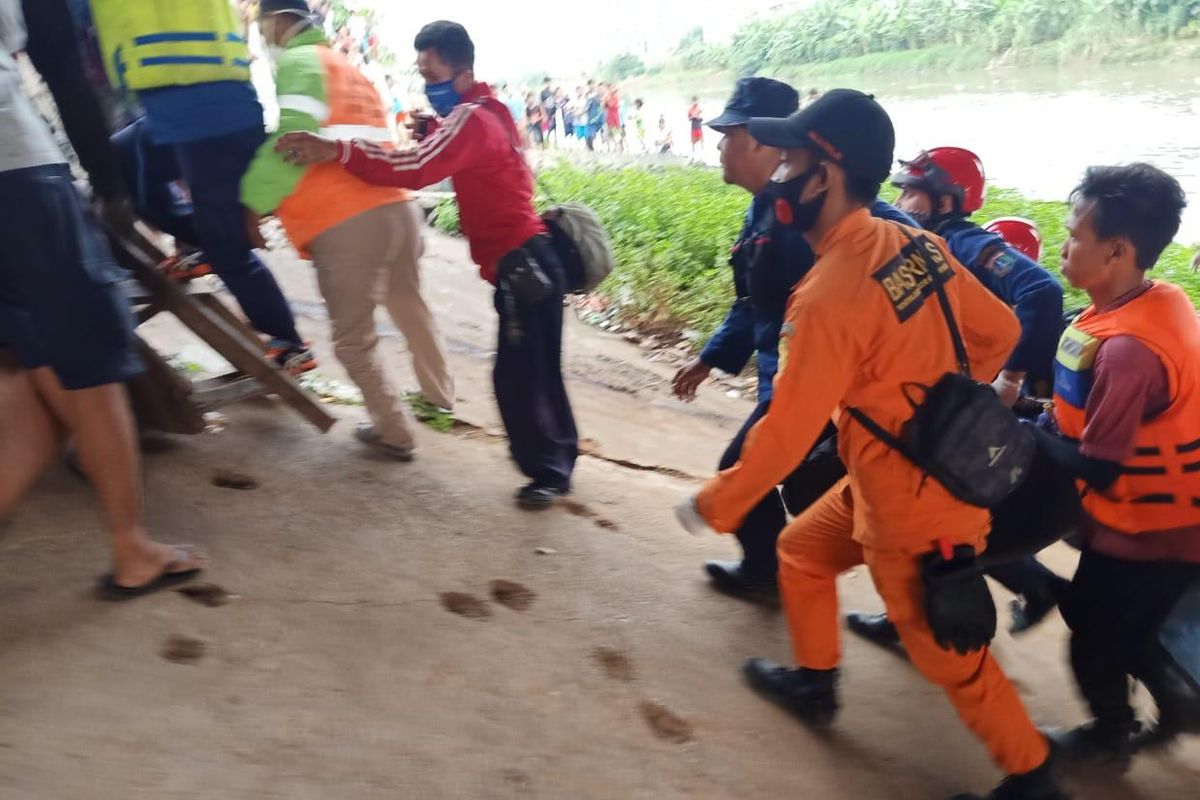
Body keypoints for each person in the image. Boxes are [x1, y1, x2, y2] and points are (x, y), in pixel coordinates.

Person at [676, 90, 1066, 800]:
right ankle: (815, 683)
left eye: (791, 161)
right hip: (890, 472)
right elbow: (1003, 331)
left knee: (952, 655)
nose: (780, 176)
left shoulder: (827, 295)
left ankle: (1032, 777)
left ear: (825, 175)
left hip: (911, 512)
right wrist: (948, 398)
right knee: (800, 552)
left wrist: (718, 500)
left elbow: (788, 434)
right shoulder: (911, 242)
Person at [276, 20, 578, 509]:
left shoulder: (470, 118)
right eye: (421, 71)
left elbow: (414, 167)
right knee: (539, 370)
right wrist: (436, 130)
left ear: (461, 71)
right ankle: (558, 462)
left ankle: (547, 473)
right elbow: (462, 155)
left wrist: (338, 150)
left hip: (522, 265)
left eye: (431, 71)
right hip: (534, 257)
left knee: (518, 376)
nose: (426, 82)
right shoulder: (491, 110)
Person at [673, 77, 916, 599]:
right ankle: (774, 574)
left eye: (728, 134)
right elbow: (753, 303)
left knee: (781, 484)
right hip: (783, 378)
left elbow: (900, 245)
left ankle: (926, 604)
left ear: (763, 143)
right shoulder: (768, 209)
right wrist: (711, 359)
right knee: (797, 490)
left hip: (834, 395)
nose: (719, 145)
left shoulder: (840, 215)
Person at [0, 0, 206, 598]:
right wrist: (112, 186)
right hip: (17, 177)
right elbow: (63, 69)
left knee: (34, 367)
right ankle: (133, 548)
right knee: (88, 366)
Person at [846, 147, 1069, 643]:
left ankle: (919, 624)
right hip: (941, 402)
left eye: (911, 191)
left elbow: (1041, 292)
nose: (901, 199)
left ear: (946, 200)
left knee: (931, 516)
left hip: (957, 410)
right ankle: (1026, 588)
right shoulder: (923, 239)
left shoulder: (963, 241)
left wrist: (1008, 379)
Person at [1038, 163, 1200, 769]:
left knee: (1093, 631)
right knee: (1130, 624)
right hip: (1167, 516)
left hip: (1153, 528)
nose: (1063, 245)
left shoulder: (1129, 350)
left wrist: (1016, 439)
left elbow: (1100, 468)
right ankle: (1174, 696)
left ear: (1116, 251)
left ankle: (1109, 735)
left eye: (1075, 235)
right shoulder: (1160, 300)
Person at [242, 0, 453, 462]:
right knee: (410, 307)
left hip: (347, 218)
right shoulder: (348, 67)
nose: (263, 36)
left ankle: (394, 431)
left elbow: (291, 142)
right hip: (397, 210)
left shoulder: (300, 62)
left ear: (278, 22)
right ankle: (439, 399)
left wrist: (253, 205)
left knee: (352, 339)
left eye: (262, 26)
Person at [88, 0, 314, 374]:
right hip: (167, 108)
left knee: (229, 249)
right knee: (121, 163)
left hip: (215, 117)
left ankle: (290, 343)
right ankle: (199, 242)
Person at [585, 80, 603, 151]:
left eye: (593, 84)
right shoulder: (587, 95)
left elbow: (601, 103)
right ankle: (590, 146)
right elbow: (586, 106)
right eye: (590, 85)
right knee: (591, 131)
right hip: (591, 115)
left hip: (598, 114)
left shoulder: (598, 94)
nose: (592, 86)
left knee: (600, 130)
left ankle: (602, 146)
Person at [604, 83, 622, 151]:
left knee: (616, 134)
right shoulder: (608, 97)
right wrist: (605, 99)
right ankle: (614, 148)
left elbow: (612, 105)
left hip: (614, 118)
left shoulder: (616, 97)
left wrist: (607, 99)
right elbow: (604, 106)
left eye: (612, 88)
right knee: (610, 135)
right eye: (609, 88)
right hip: (609, 118)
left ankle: (618, 148)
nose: (610, 90)